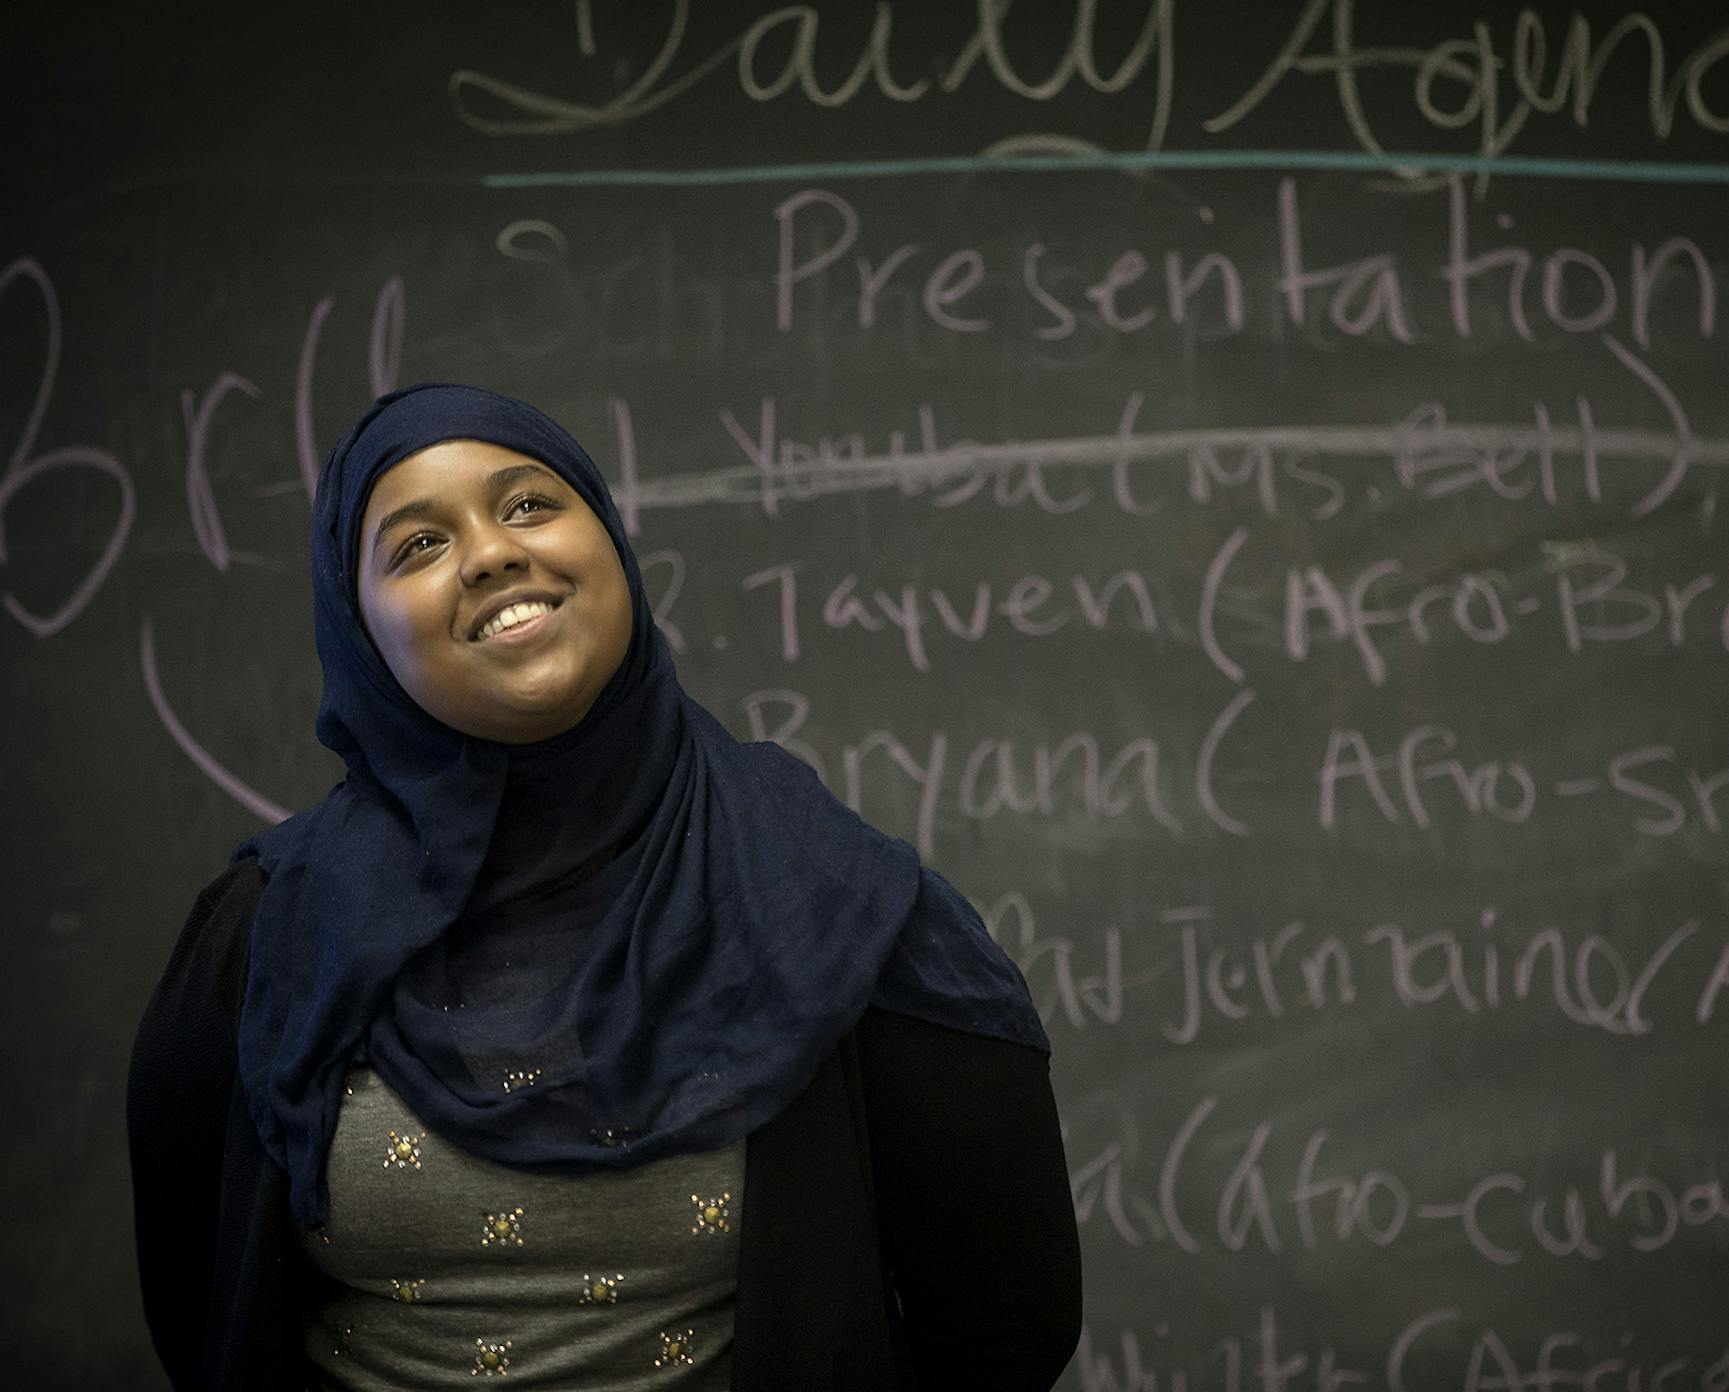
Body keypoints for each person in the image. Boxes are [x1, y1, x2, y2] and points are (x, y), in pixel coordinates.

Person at [126, 383, 1082, 1390]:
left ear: (612, 546)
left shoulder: (827, 901)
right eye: (417, 545)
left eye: (530, 504)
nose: (493, 552)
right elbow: (207, 1311)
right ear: (359, 633)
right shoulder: (267, 936)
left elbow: (1004, 1318)